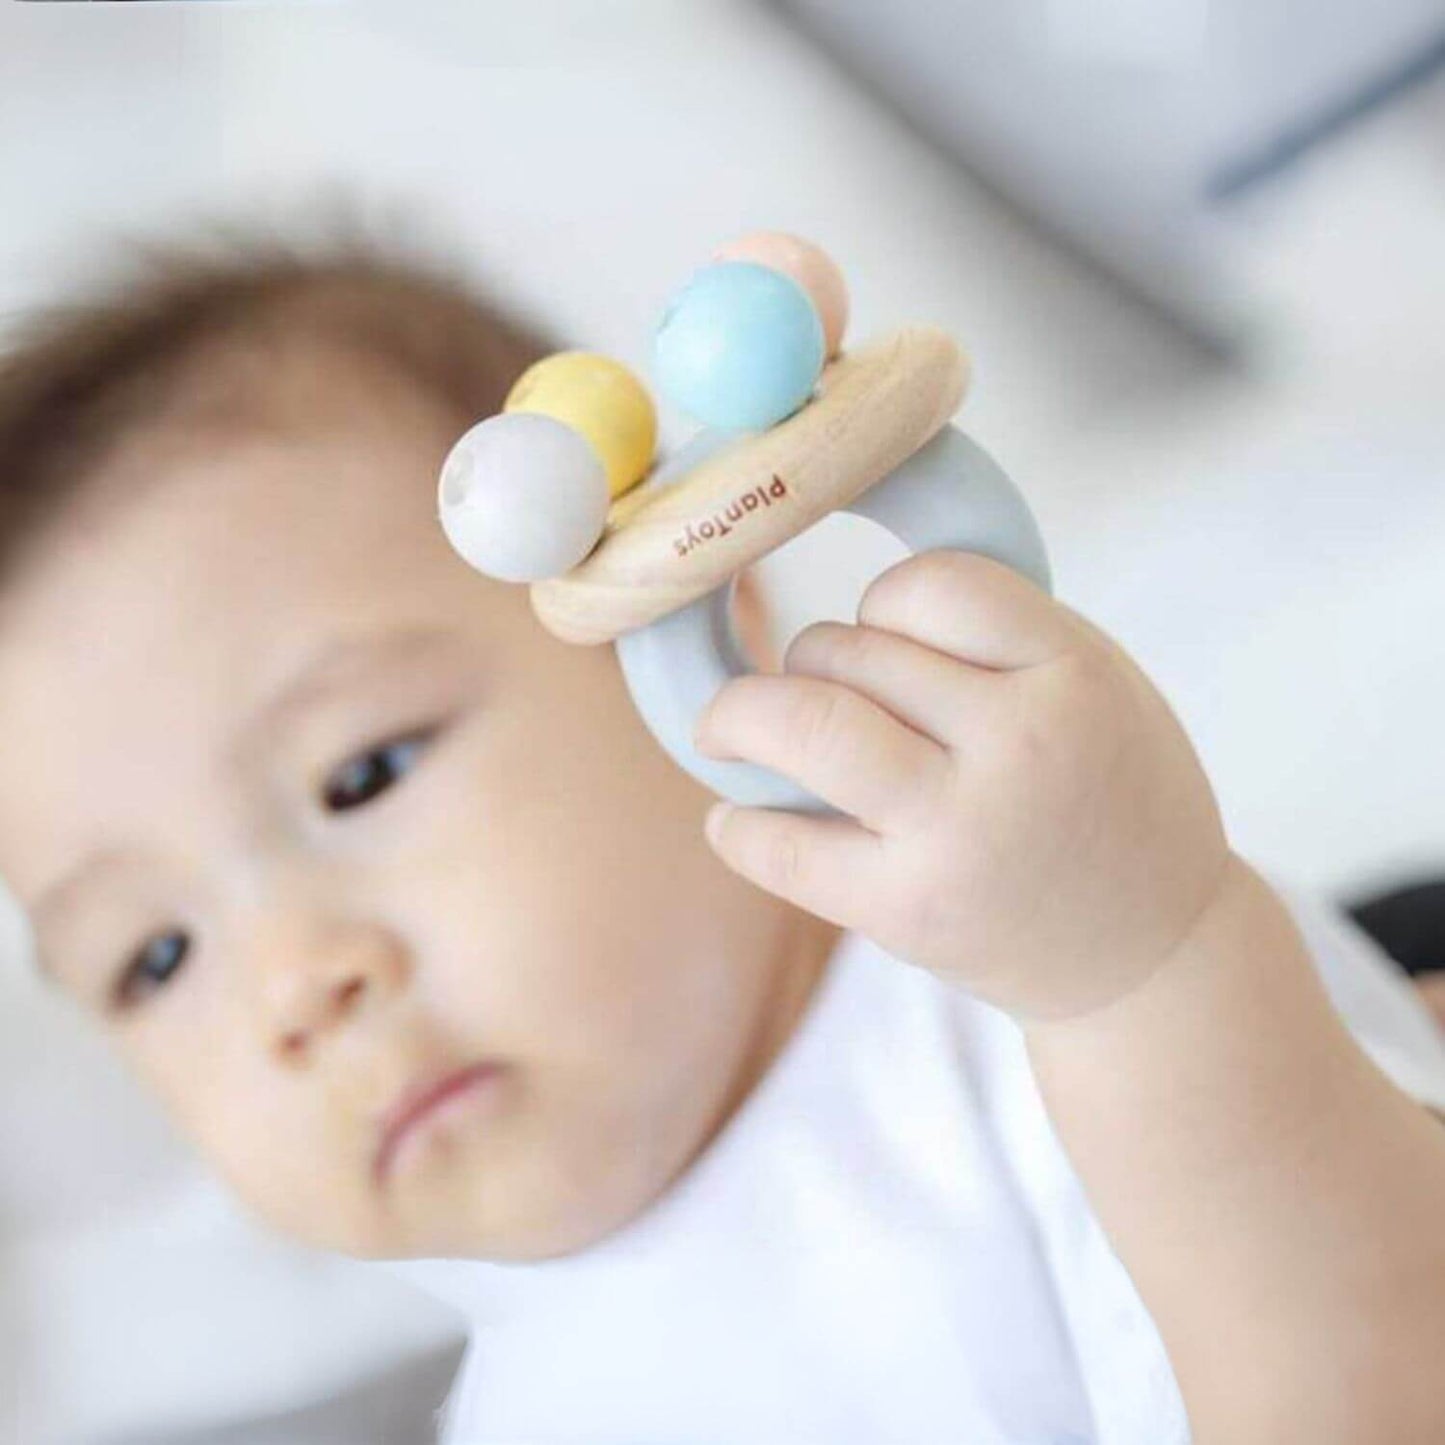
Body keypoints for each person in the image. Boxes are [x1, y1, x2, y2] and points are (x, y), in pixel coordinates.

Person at [2, 220, 1444, 1445]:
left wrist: (1152, 968)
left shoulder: (1053, 1008)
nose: (296, 981)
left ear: (701, 628)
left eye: (361, 772)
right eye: (155, 953)